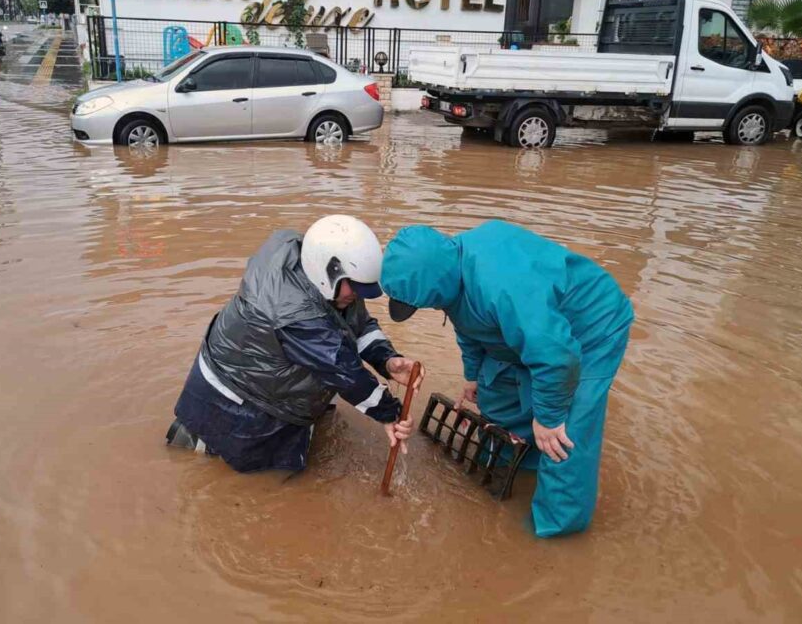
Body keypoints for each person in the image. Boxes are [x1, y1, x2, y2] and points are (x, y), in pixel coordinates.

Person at [379, 220, 633, 537]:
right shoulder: (449, 268)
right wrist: (472, 375)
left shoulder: (502, 286)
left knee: (563, 438)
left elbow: (557, 356)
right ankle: (516, 461)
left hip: (588, 328)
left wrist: (550, 417)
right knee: (495, 390)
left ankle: (555, 530)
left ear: (436, 288)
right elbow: (469, 326)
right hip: (539, 333)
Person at [167, 215, 423, 473]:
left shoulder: (324, 277)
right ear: (329, 271)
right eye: (355, 287)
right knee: (259, 477)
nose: (357, 295)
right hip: (238, 403)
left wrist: (387, 360)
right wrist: (391, 413)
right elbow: (342, 369)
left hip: (270, 384)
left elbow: (357, 325)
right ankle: (199, 443)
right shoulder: (294, 312)